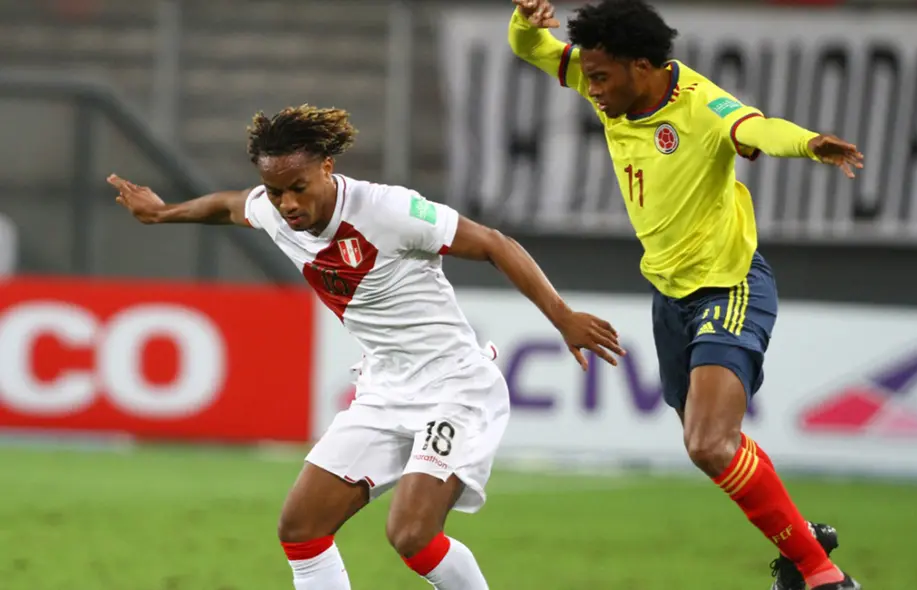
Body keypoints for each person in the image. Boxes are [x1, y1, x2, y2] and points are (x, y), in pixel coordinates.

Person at [108, 104, 625, 590]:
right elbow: (225, 206)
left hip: (455, 389)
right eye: (275, 189)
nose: (286, 203)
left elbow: (493, 243)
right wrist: (162, 213)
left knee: (411, 534)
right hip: (384, 390)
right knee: (300, 528)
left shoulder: (388, 210)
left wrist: (562, 316)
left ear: (328, 167)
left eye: (297, 187)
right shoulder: (271, 208)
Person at [508, 1, 865, 589]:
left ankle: (823, 575)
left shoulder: (702, 106)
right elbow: (532, 47)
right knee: (712, 444)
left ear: (642, 67)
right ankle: (805, 542)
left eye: (600, 77)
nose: (589, 88)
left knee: (707, 443)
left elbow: (758, 128)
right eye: (588, 76)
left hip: (730, 285)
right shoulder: (605, 81)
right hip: (670, 297)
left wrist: (808, 145)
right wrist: (527, 19)